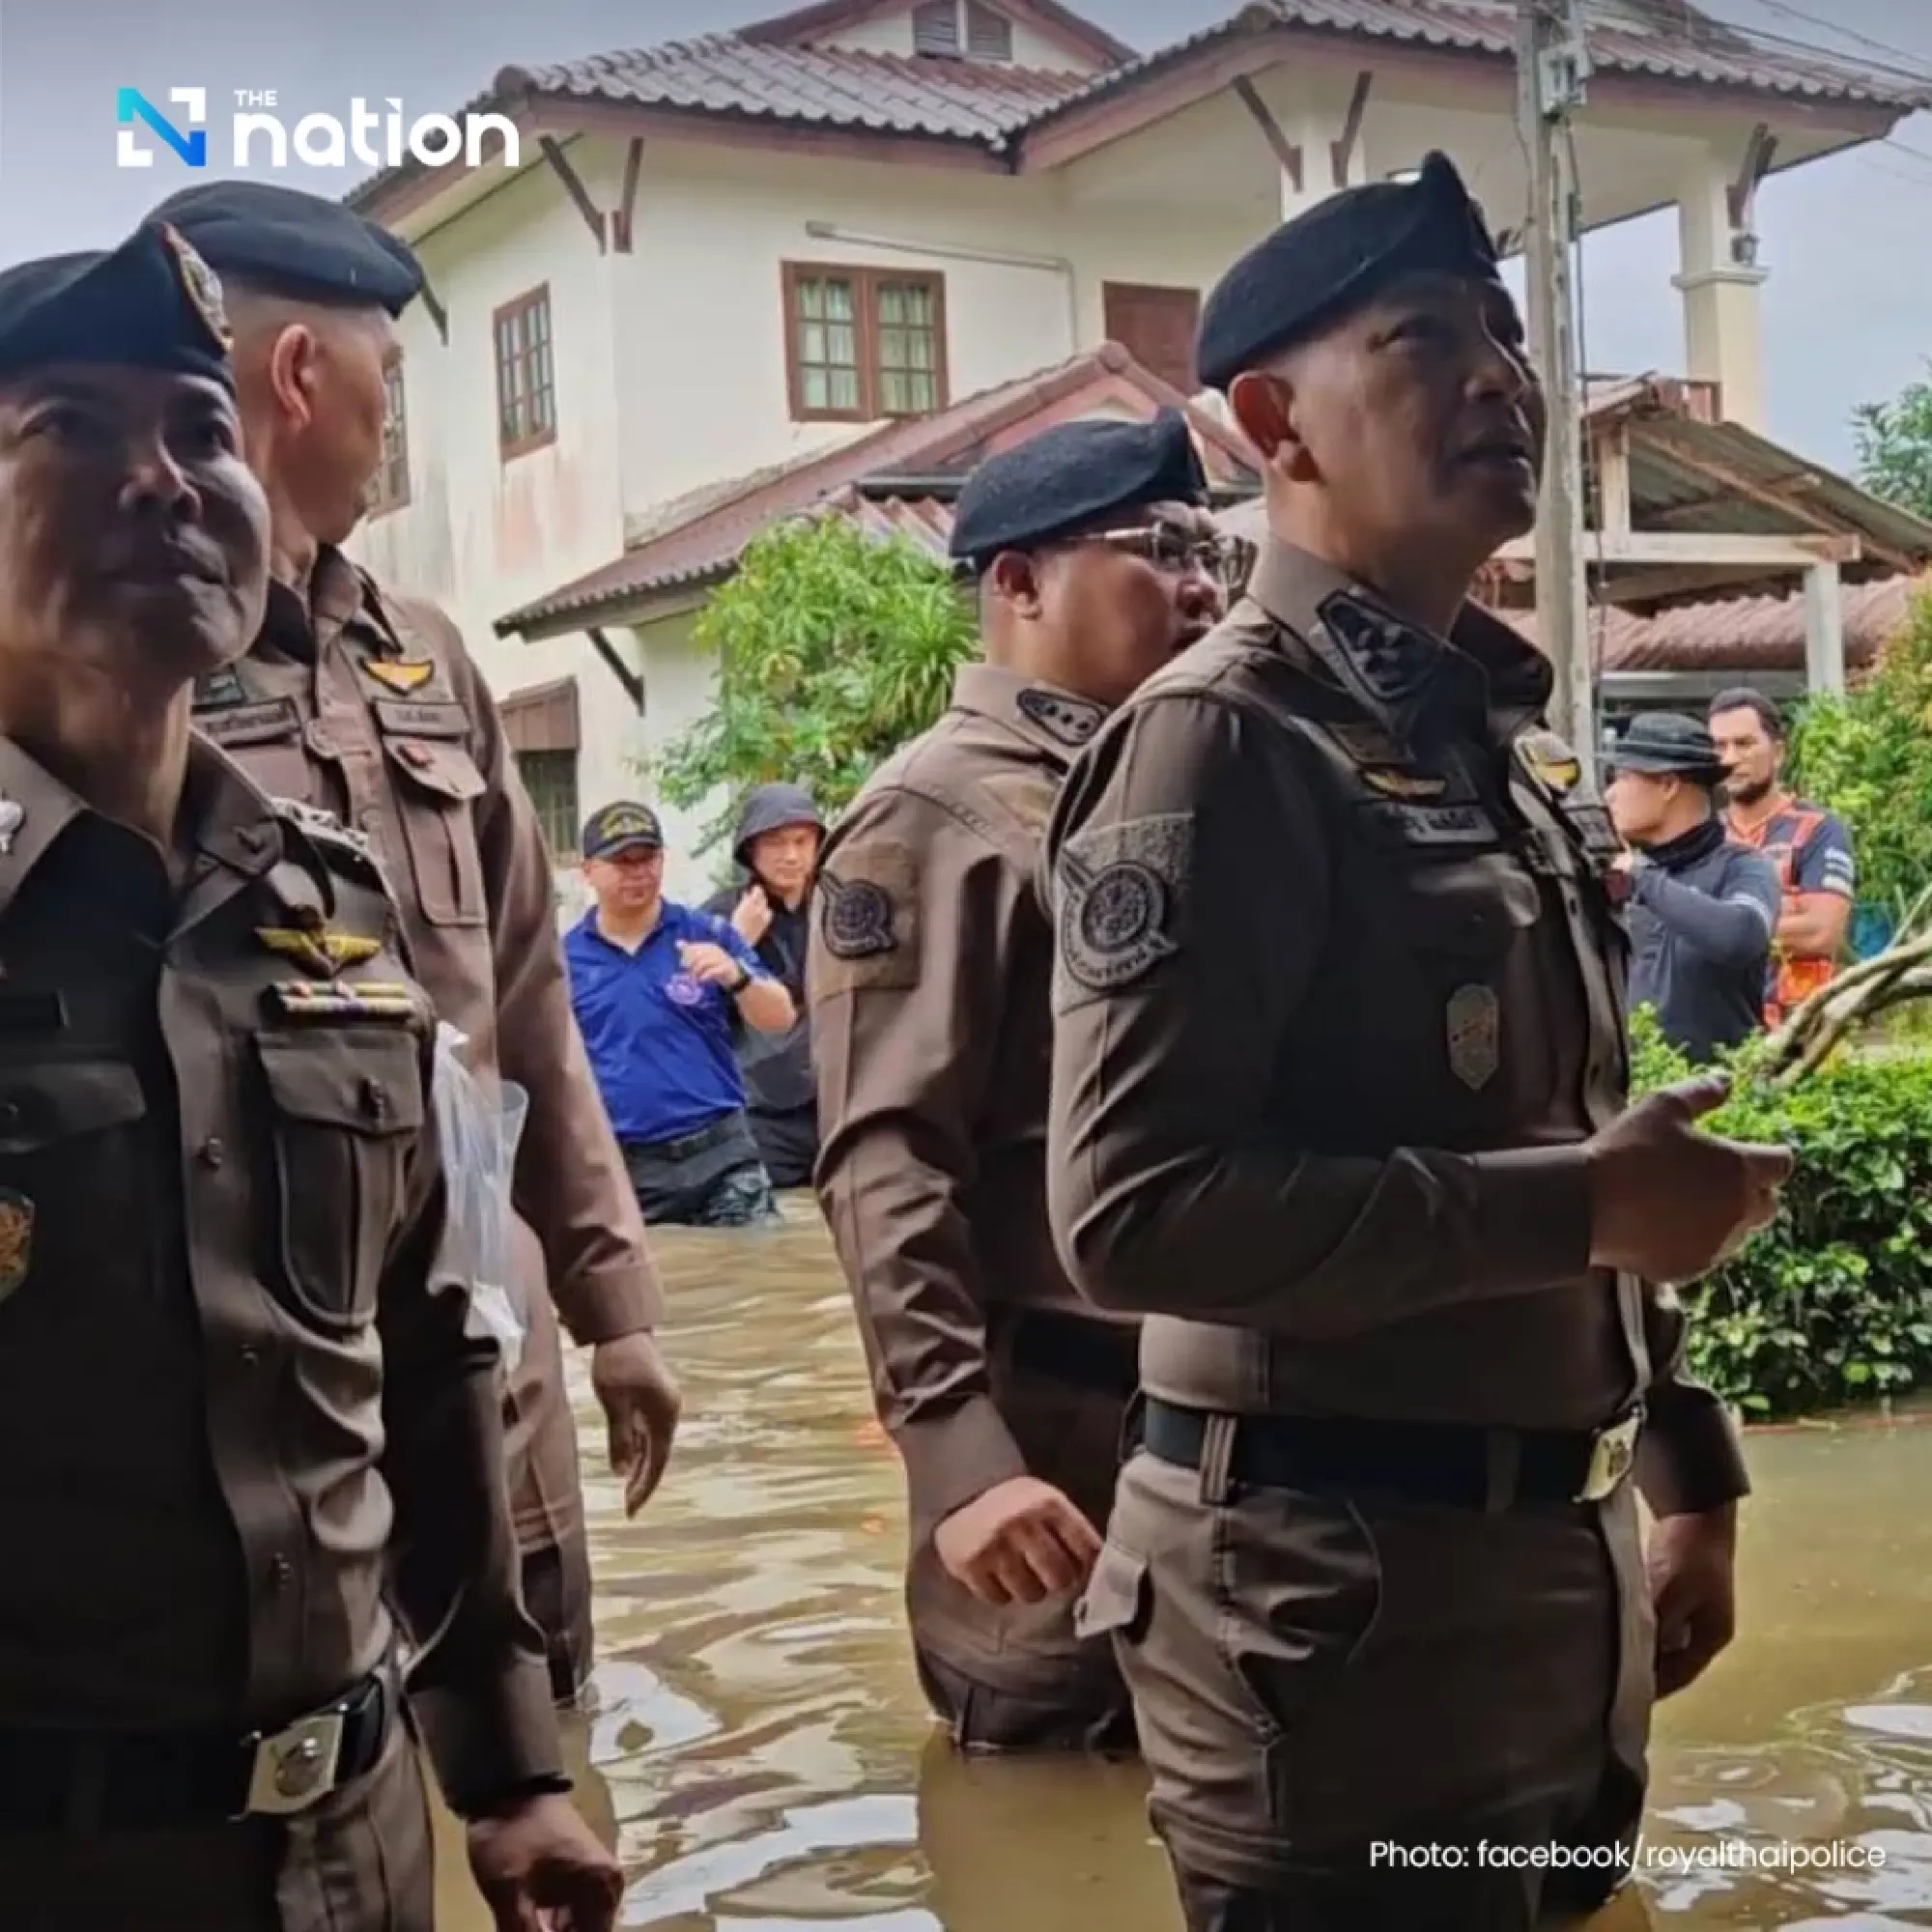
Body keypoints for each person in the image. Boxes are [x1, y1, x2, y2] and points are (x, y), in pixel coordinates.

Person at [1040, 154, 1793, 1928]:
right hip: (1331, 1613)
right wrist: (1583, 1218)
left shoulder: (1489, 748)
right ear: (1269, 421)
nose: (1499, 384)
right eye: (1426, 342)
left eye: (1506, 342)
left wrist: (1688, 1469)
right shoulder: (1220, 748)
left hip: (1547, 1573)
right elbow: (1133, 1213)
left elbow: (1579, 1127)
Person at [0, 220, 620, 1932]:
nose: (167, 480)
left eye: (200, 432)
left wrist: (509, 1771)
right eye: (70, 431)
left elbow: (420, 1356)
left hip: (353, 1851)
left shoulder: (328, 901)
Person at [146, 179, 679, 1707]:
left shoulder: (427, 657)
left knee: (535, 1759)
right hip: (255, 1372)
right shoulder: (117, 651)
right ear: (302, 371)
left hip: (490, 1339)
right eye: (391, 373)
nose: (397, 419)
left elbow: (530, 1004)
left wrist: (616, 1305)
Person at [809, 410, 1227, 1752]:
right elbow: (885, 1160)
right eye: (1156, 546)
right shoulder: (939, 814)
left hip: (1230, 1441)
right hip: (1052, 1457)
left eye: (1209, 544)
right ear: (1020, 583)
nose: (1203, 582)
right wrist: (955, 1456)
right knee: (1046, 1801)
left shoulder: (1185, 790)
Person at [568, 801, 796, 1226]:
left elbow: (781, 1016)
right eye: (622, 861)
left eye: (648, 858)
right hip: (626, 1169)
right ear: (589, 871)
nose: (638, 872)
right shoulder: (564, 961)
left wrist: (737, 977)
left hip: (722, 1157)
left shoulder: (707, 932)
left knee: (750, 1272)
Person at [1605, 713, 1781, 1063]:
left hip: (1719, 1103)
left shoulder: (1744, 867)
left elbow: (1740, 937)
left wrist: (1643, 880)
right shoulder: (1614, 873)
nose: (1609, 794)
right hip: (1629, 1100)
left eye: (1623, 777)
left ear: (1669, 785)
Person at [1708, 685, 1858, 1025]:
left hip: (1801, 1032)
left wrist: (1716, 924)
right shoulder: (1705, 837)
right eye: (1719, 746)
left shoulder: (1818, 829)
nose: (1730, 759)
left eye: (1744, 744)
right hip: (1718, 1030)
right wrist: (1783, 909)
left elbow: (1821, 933)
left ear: (1777, 752)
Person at [702, 782, 825, 1187]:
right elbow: (690, 1010)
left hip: (836, 1102)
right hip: (761, 1113)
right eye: (775, 842)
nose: (790, 855)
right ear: (751, 849)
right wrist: (737, 942)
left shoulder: (842, 910)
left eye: (801, 841)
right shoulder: (719, 917)